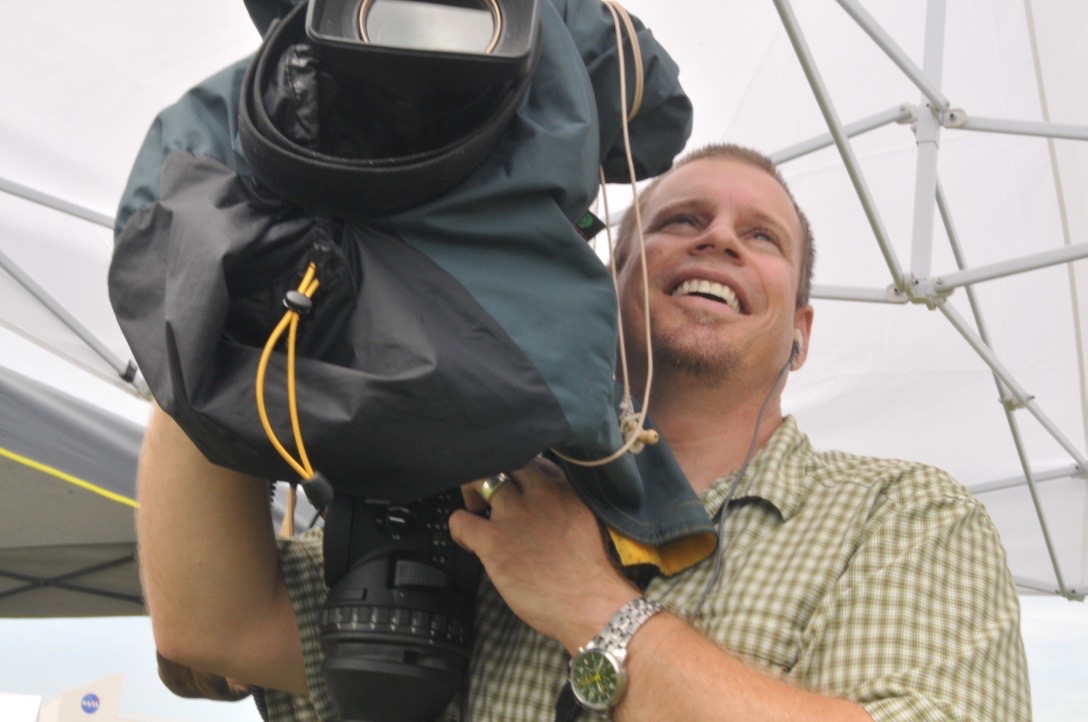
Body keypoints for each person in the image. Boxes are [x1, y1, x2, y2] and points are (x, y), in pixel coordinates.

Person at [137, 144, 1031, 721]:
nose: (717, 238)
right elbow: (212, 626)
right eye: (679, 221)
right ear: (600, 292)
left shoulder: (900, 514)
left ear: (798, 334)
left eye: (761, 237)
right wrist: (234, 311)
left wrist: (591, 607)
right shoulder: (476, 495)